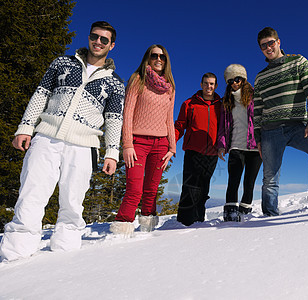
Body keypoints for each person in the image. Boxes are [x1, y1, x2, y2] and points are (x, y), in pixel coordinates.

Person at [0, 21, 125, 261]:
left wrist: (111, 152)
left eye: (104, 40)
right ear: (88, 38)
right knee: (31, 193)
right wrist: (25, 127)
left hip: (83, 146)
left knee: (72, 201)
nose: (98, 42)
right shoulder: (62, 64)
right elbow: (41, 95)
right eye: (94, 37)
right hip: (47, 137)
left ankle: (64, 258)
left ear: (112, 45)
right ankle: (16, 253)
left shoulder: (115, 83)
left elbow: (113, 119)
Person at [254, 27, 308, 216]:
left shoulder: (298, 62)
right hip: (269, 132)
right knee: (270, 178)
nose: (268, 47)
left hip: (298, 127)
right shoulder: (260, 77)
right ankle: (269, 216)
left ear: (279, 42)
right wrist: (258, 139)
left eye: (271, 43)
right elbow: (257, 111)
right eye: (264, 45)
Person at [110, 45, 176, 235]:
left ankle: (147, 229)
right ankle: (122, 226)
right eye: (154, 55)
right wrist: (127, 144)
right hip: (138, 142)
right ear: (147, 57)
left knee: (152, 189)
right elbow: (127, 113)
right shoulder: (138, 79)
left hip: (161, 144)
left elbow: (168, 119)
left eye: (162, 56)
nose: (158, 59)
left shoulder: (169, 87)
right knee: (134, 189)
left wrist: (172, 147)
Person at [174, 73, 221, 226]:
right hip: (193, 150)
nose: (209, 87)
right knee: (190, 186)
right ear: (201, 85)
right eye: (206, 83)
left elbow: (225, 128)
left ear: (216, 86)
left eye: (212, 84)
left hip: (212, 152)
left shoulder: (221, 105)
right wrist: (172, 142)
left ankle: (199, 219)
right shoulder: (189, 103)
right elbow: (180, 125)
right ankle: (184, 220)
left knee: (204, 187)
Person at [217, 64, 262, 221]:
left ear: (243, 79)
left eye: (237, 79)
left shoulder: (255, 97)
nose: (234, 83)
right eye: (230, 81)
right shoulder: (227, 102)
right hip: (236, 145)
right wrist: (222, 145)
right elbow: (223, 126)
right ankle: (230, 211)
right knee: (233, 181)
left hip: (255, 147)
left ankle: (245, 211)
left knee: (249, 182)